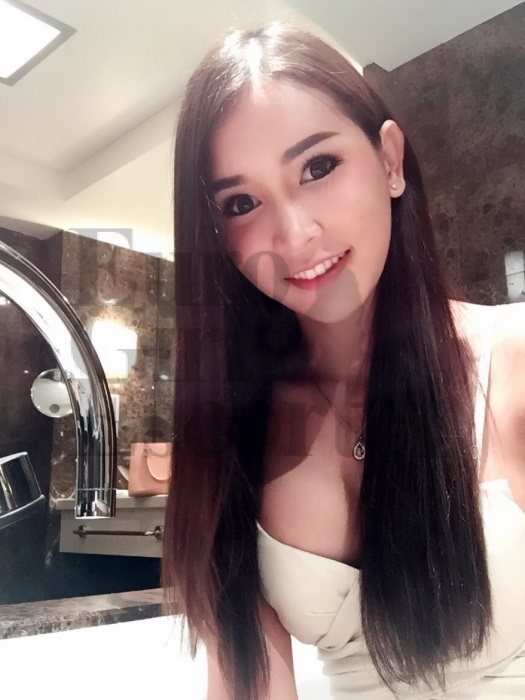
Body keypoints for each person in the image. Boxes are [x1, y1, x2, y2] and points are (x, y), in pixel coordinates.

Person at [161, 23, 525, 699]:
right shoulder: (232, 427)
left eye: (318, 167)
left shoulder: (514, 360)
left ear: (390, 162)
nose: (293, 235)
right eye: (241, 203)